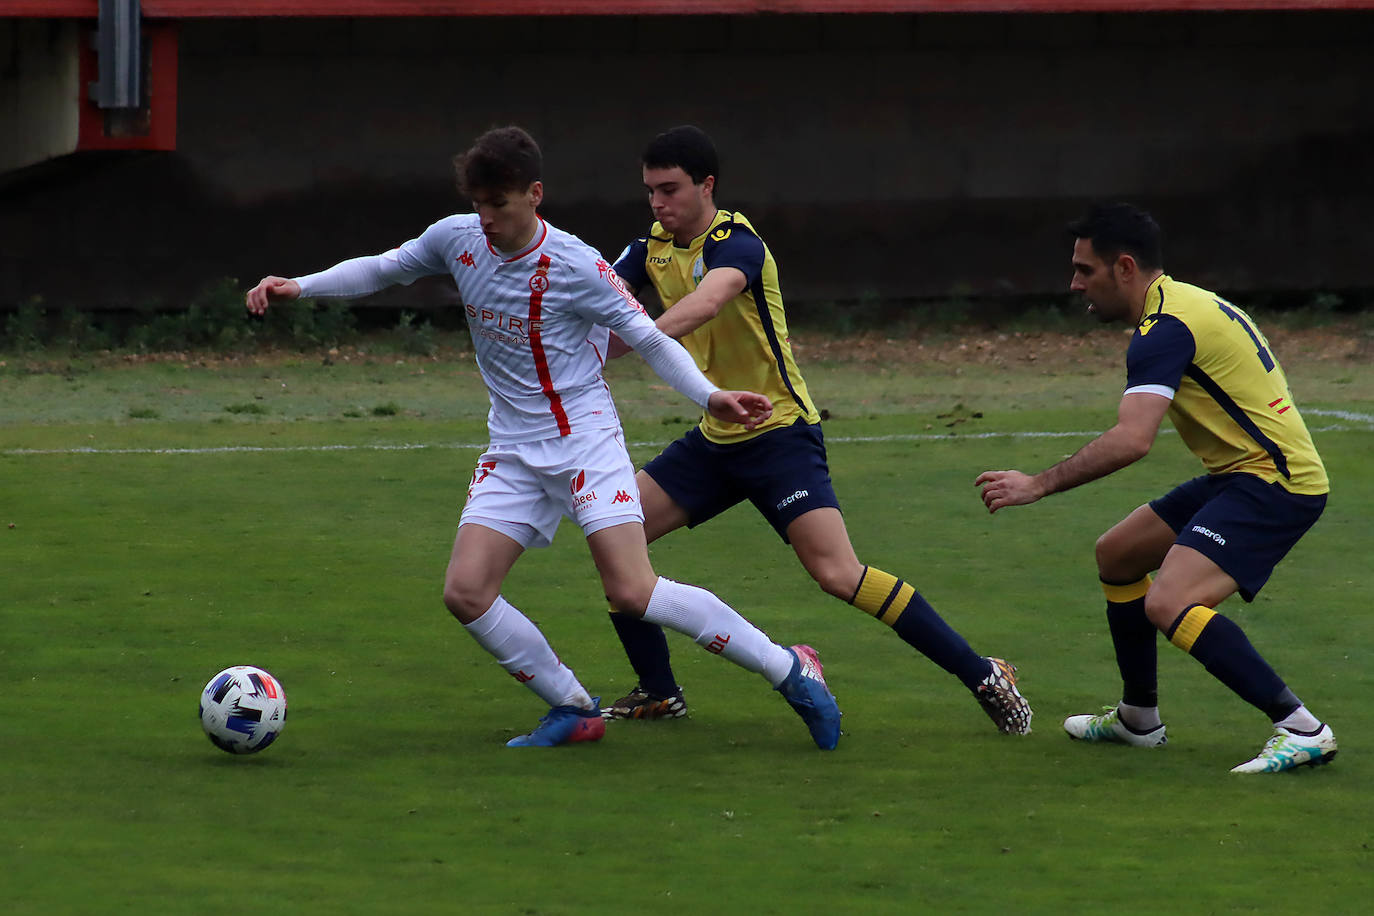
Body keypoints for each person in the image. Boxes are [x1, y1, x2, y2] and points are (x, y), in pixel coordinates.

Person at [245, 126, 841, 750]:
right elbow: (385, 269)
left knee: (633, 591)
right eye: (479, 204)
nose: (487, 219)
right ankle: (571, 705)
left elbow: (650, 339)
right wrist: (301, 285)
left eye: (499, 205)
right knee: (466, 592)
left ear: (534, 195)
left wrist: (709, 396)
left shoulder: (576, 264)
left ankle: (787, 669)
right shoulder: (457, 239)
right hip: (513, 450)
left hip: (585, 443)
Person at [599, 125, 1032, 734]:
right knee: (616, 542)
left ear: (707, 186)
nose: (657, 204)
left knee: (837, 575)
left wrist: (633, 340)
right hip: (714, 439)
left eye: (669, 190)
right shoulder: (647, 249)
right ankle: (660, 691)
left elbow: (706, 303)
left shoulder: (739, 244)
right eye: (649, 191)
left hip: (779, 437)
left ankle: (984, 673)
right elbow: (601, 300)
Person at [975, 202, 1336, 774]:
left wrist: (1036, 485)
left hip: (1275, 484)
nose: (1074, 284)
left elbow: (1131, 440)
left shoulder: (1163, 330)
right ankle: (1139, 718)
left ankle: (1301, 728)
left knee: (1170, 601)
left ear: (1124, 268)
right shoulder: (1186, 302)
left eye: (1084, 270)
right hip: (1242, 475)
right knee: (1118, 553)